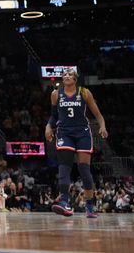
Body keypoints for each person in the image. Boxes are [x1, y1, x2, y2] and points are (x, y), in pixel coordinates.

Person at [45, 68, 108, 218]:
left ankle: (90, 206)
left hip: (82, 133)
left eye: (70, 74)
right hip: (64, 132)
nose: (67, 76)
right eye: (65, 74)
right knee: (64, 167)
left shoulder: (84, 92)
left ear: (75, 79)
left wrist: (102, 126)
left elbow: (97, 114)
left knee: (84, 170)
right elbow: (54, 117)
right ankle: (65, 202)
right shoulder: (55, 94)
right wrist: (48, 126)